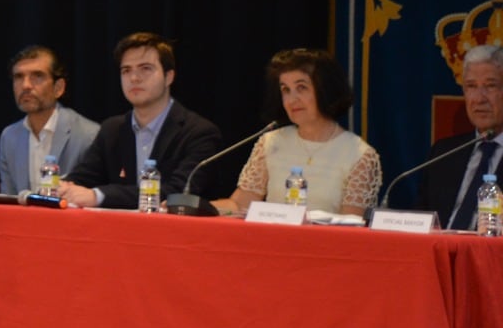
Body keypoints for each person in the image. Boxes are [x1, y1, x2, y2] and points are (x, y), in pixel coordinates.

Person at [56, 31, 223, 207]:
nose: (134, 78)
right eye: (126, 71)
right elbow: (84, 177)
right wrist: (64, 187)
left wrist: (98, 196)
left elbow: (177, 194)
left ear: (169, 77)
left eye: (145, 69)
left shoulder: (199, 133)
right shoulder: (112, 129)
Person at [212, 49, 382, 218]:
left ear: (325, 90)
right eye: (286, 90)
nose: (291, 100)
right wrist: (195, 206)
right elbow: (239, 205)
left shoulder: (359, 155)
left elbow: (351, 226)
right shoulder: (271, 143)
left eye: (302, 88)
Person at [414, 43, 503, 230]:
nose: (479, 98)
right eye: (471, 86)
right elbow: (421, 220)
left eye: (491, 86)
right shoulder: (444, 153)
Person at [0, 45, 100, 194]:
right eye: (19, 77)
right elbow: (9, 199)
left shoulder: (89, 135)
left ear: (58, 88)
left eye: (37, 76)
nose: (25, 85)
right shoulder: (9, 137)